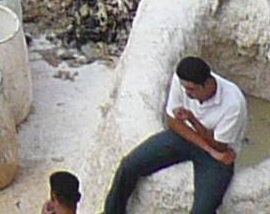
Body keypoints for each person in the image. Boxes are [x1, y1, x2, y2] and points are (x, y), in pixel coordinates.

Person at [100, 59, 245, 214]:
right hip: (186, 137)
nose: (187, 93)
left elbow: (220, 146)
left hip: (218, 154)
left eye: (192, 89)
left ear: (208, 83)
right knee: (128, 165)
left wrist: (193, 120)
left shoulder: (233, 103)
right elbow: (172, 122)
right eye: (185, 88)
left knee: (203, 210)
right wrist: (208, 148)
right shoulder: (181, 81)